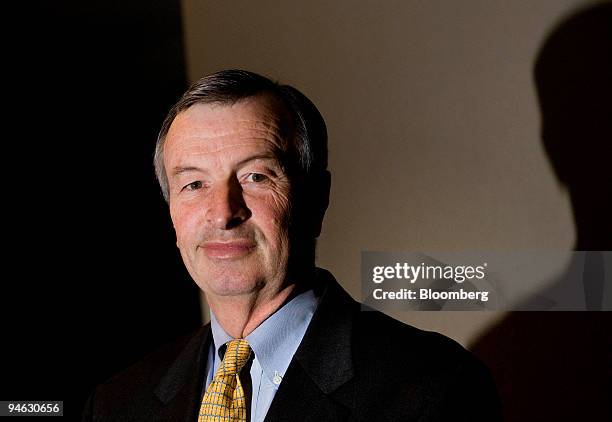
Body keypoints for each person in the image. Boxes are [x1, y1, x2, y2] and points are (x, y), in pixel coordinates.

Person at [82, 69, 500, 421]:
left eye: (256, 177)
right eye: (194, 184)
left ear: (317, 198)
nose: (223, 213)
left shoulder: (433, 387)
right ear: (172, 213)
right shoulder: (116, 404)